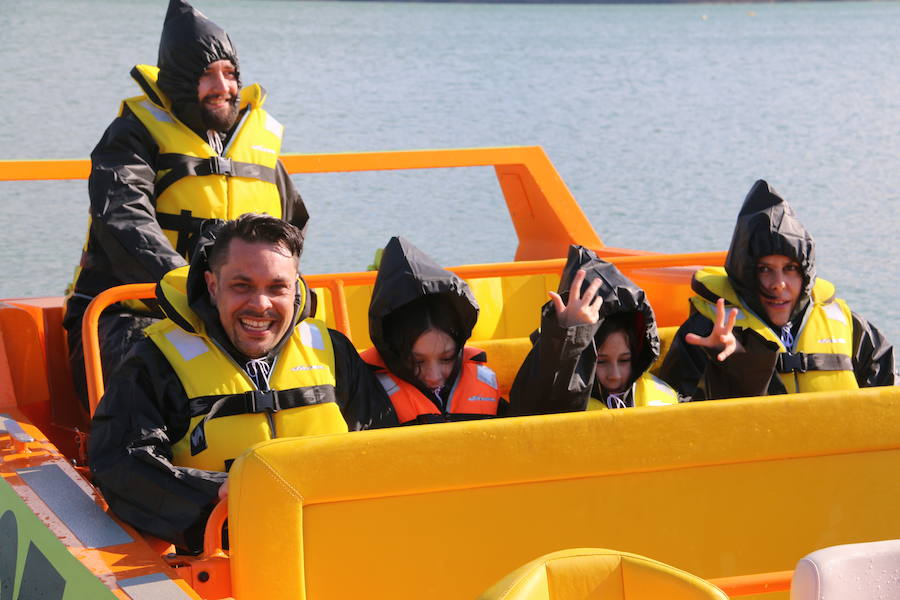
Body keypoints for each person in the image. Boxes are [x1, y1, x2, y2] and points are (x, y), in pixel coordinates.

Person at [88, 215, 394, 553]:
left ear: (296, 288)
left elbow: (381, 446)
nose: (260, 305)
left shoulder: (333, 351)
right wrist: (219, 493)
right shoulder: (155, 362)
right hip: (217, 557)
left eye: (277, 287)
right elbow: (122, 464)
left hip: (336, 545)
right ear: (213, 285)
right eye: (242, 286)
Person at [64, 0, 309, 409]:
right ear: (178, 80)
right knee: (148, 372)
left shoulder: (258, 144)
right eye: (207, 75)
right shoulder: (130, 136)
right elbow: (124, 219)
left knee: (314, 364)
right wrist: (191, 290)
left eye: (230, 74)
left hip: (239, 310)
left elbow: (293, 228)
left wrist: (272, 297)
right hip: (137, 311)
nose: (223, 86)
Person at [658, 180, 897, 401]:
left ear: (806, 273)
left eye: (790, 269)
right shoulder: (704, 333)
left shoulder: (851, 327)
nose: (778, 283)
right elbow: (677, 422)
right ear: (744, 273)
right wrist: (731, 366)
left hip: (840, 445)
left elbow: (889, 398)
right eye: (764, 269)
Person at [508, 245, 679, 415]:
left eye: (624, 360)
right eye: (601, 362)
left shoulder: (664, 393)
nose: (615, 376)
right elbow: (535, 402)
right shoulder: (547, 400)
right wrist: (569, 337)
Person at [361, 237, 507, 425]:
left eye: (446, 358)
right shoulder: (366, 392)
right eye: (417, 361)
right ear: (393, 351)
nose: (434, 376)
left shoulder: (484, 382)